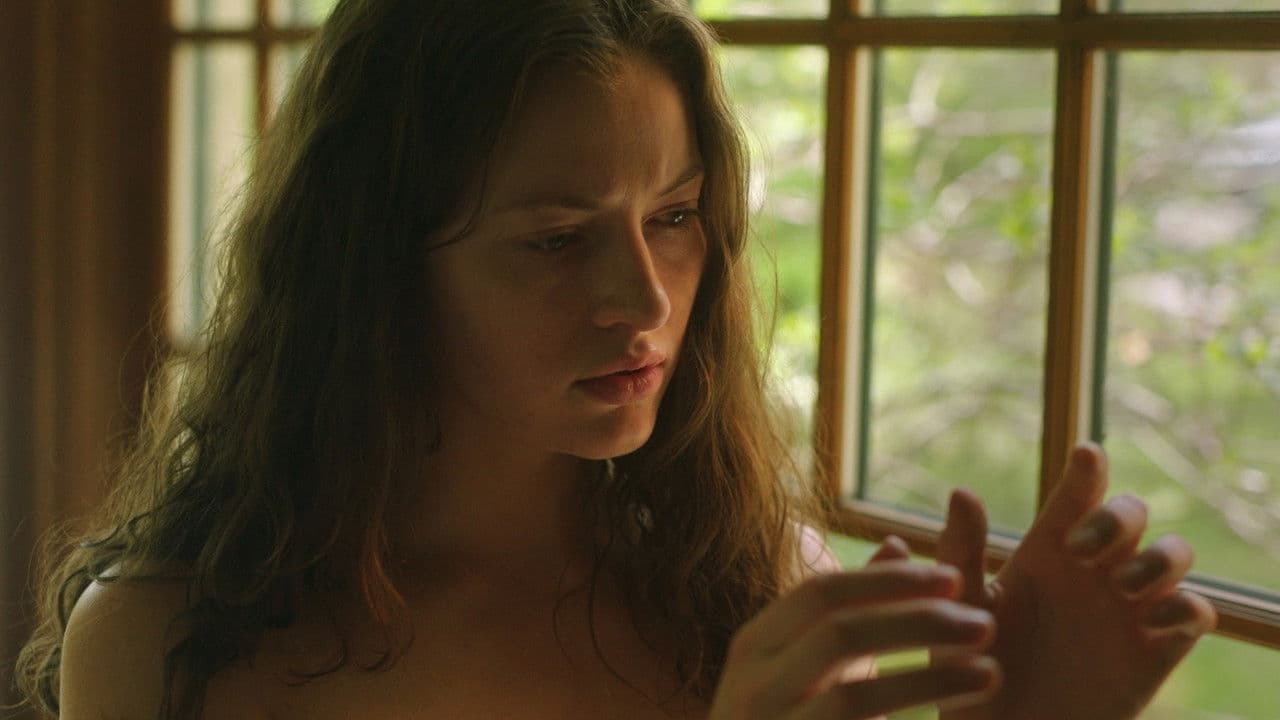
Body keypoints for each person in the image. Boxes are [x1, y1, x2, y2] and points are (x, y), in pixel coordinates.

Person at [16, 1, 1217, 718]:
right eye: (555, 239)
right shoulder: (170, 640)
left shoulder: (757, 588)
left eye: (675, 216)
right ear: (370, 269)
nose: (643, 299)